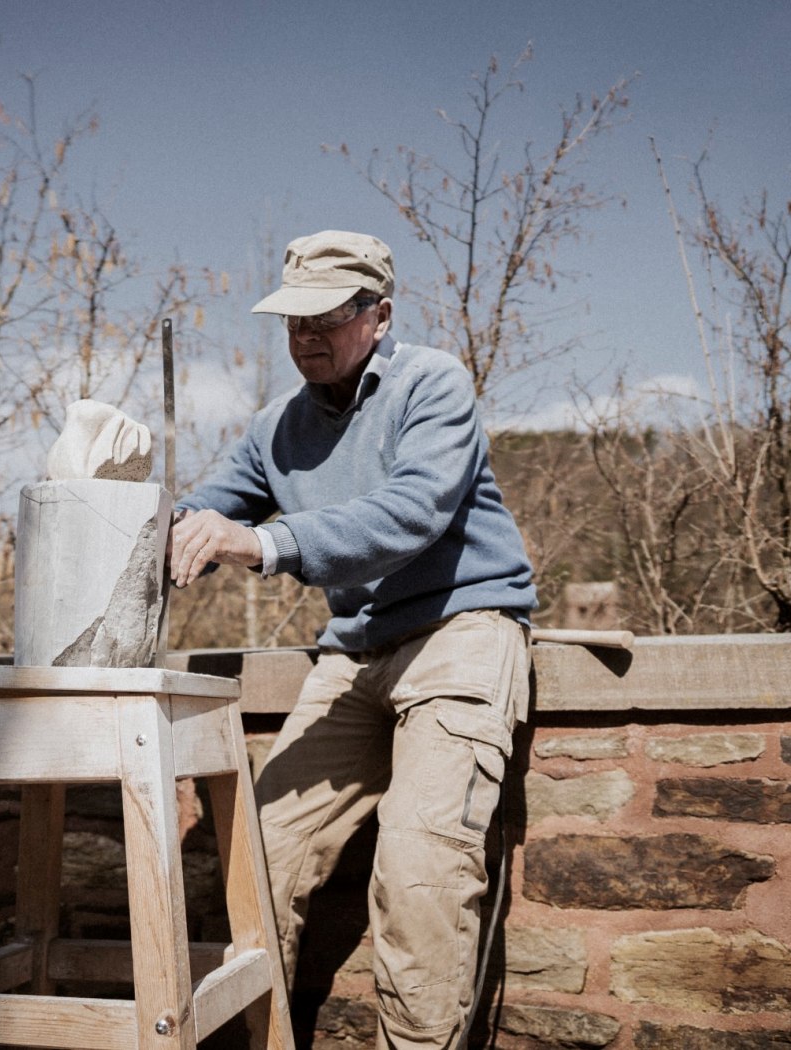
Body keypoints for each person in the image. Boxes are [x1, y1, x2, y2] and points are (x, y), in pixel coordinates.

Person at [169, 230, 536, 1050]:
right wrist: (141, 515)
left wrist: (260, 543)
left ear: (380, 314)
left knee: (420, 874)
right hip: (353, 651)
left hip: (460, 634)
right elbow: (204, 509)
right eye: (293, 320)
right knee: (257, 861)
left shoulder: (430, 384)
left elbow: (411, 511)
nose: (306, 336)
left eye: (326, 317)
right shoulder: (275, 428)